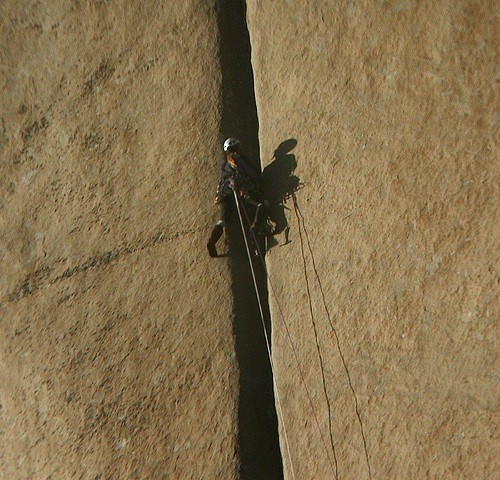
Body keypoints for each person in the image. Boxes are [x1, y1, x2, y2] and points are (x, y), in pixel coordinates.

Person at [207, 138, 268, 257]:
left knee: (224, 219)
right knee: (261, 204)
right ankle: (255, 229)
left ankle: (212, 241)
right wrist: (259, 182)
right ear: (235, 148)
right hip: (240, 188)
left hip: (224, 193)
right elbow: (252, 173)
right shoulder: (238, 158)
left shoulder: (224, 164)